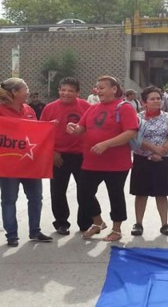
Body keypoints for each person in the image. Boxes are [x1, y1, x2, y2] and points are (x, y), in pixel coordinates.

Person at [0, 78, 53, 246]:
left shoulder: (29, 109)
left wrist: (49, 128)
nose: (28, 92)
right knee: (9, 200)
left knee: (36, 198)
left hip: (30, 164)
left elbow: (36, 132)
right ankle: (12, 235)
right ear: (15, 92)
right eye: (26, 89)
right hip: (7, 165)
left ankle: (35, 231)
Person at [66, 76, 138, 242]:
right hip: (91, 161)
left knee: (115, 195)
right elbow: (80, 129)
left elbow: (131, 132)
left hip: (116, 163)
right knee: (84, 193)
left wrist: (106, 144)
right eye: (97, 88)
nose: (98, 91)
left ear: (114, 89)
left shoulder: (124, 107)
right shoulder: (92, 108)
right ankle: (98, 222)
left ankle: (117, 229)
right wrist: (72, 128)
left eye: (102, 88)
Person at [40, 77, 92, 235]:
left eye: (70, 90)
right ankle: (61, 222)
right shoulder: (49, 108)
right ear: (59, 90)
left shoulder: (86, 106)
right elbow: (42, 132)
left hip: (81, 155)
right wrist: (53, 152)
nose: (66, 93)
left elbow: (93, 128)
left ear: (77, 92)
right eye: (63, 90)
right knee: (57, 191)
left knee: (85, 190)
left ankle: (85, 223)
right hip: (58, 156)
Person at [130, 86, 168, 237]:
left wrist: (161, 152)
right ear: (144, 102)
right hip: (142, 159)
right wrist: (152, 149)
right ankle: (138, 223)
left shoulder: (167, 117)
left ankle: (165, 224)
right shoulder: (138, 118)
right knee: (141, 193)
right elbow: (135, 137)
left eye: (158, 98)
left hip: (162, 160)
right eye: (152, 99)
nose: (156, 101)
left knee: (161, 193)